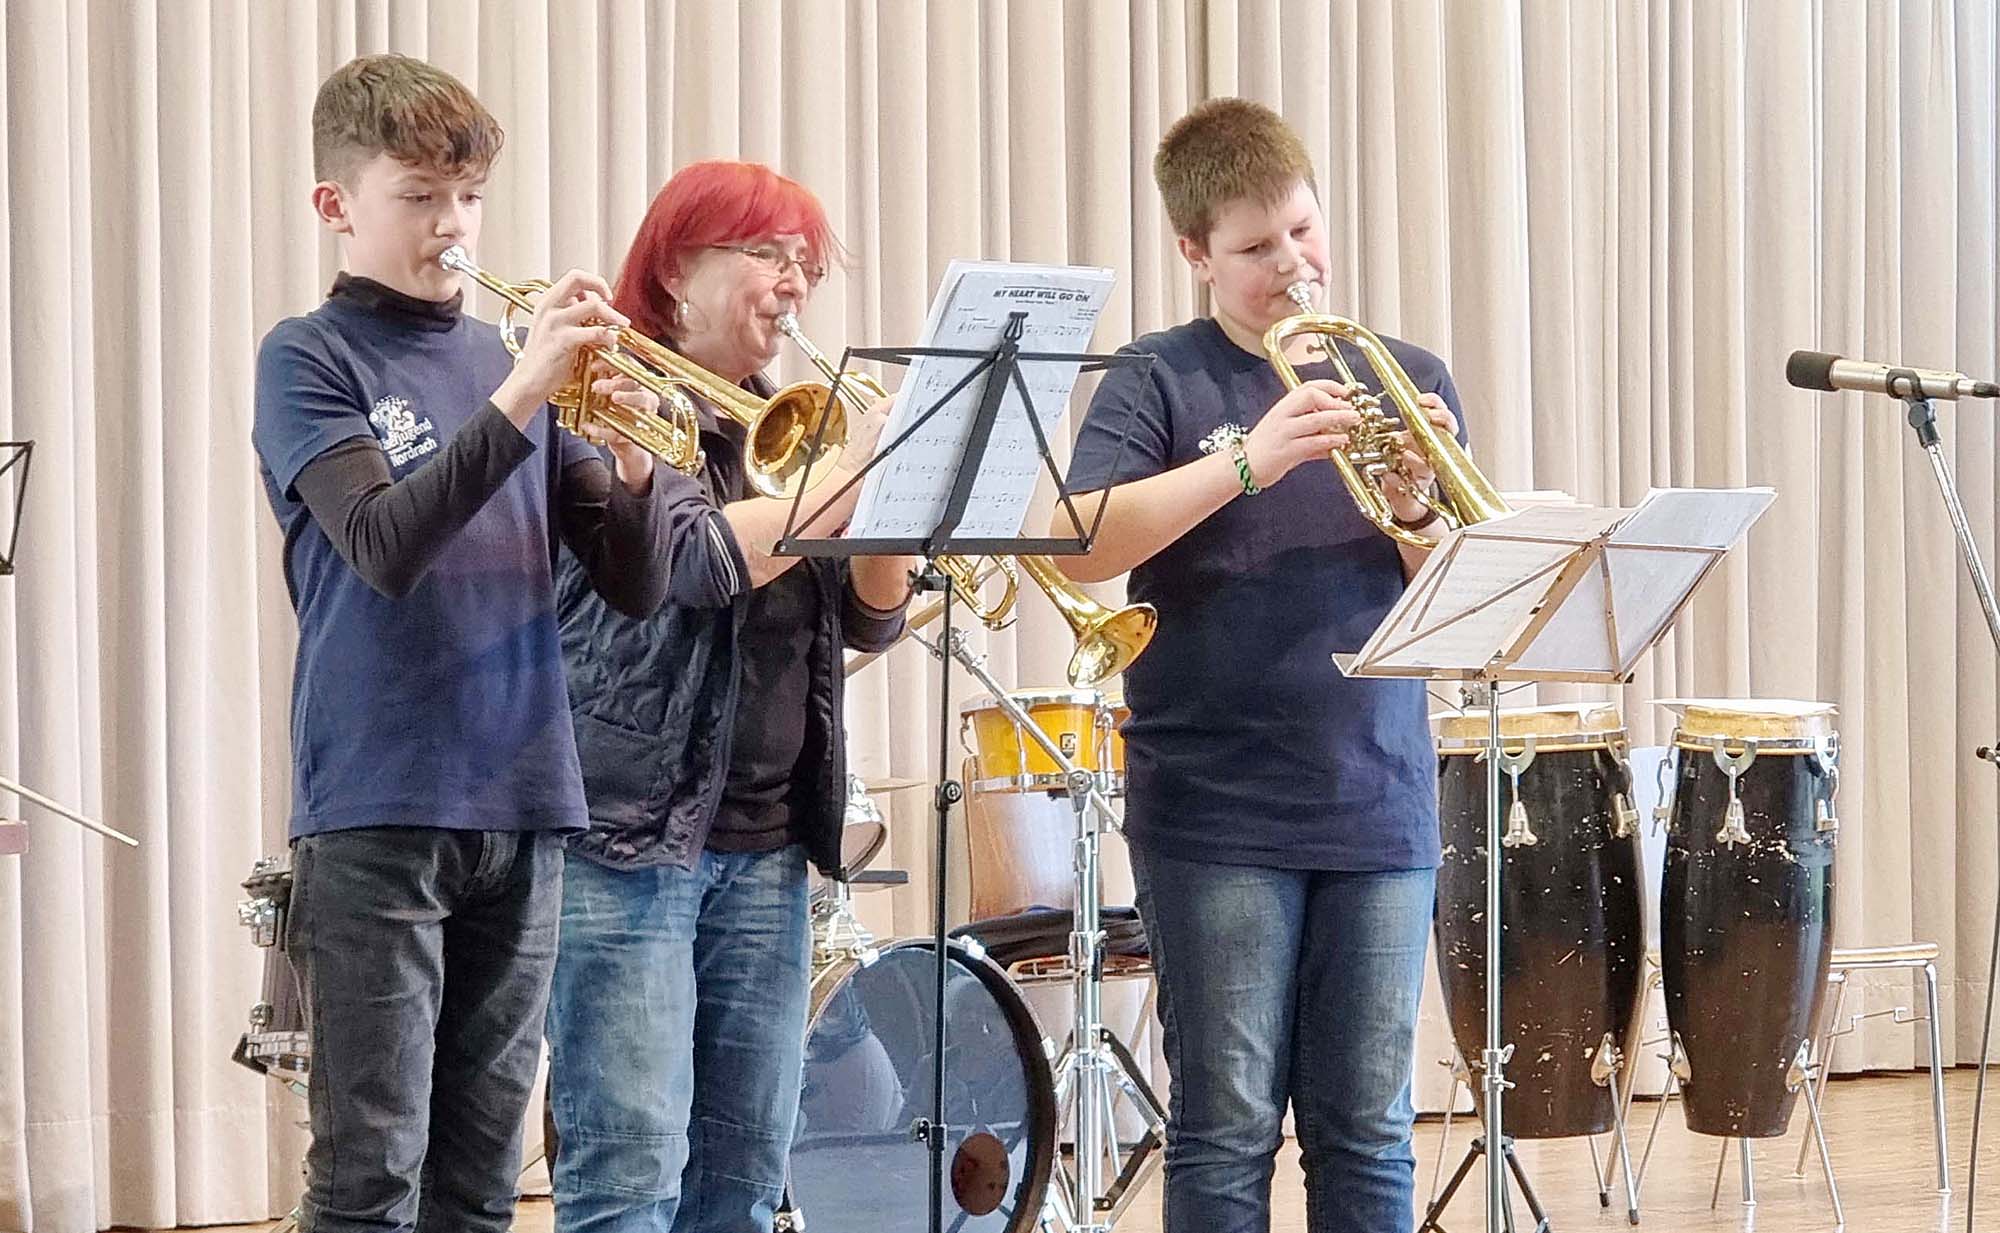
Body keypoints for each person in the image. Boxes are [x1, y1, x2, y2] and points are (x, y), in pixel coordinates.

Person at [251, 52, 672, 1233]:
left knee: (484, 1184)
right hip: (380, 801)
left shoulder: (505, 366)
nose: (453, 225)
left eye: (469, 195)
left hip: (527, 800)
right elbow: (384, 544)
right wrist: (522, 396)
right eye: (420, 196)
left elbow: (632, 585)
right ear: (337, 204)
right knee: (368, 1176)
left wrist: (635, 460)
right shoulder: (307, 357)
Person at [1056, 97, 1467, 1233]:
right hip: (1215, 806)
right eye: (1252, 248)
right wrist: (1251, 456)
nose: (1291, 265)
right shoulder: (1158, 378)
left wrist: (1412, 514)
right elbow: (1084, 543)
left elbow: (1453, 589)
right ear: (1193, 255)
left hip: (1376, 797)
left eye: (1300, 230)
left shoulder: (1402, 372)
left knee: (1369, 1128)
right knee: (1228, 1125)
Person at [544, 159, 915, 1233]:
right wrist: (848, 474)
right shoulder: (605, 407)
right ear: (674, 271)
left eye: (803, 265)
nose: (791, 285)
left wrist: (897, 499)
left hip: (768, 845)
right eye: (764, 256)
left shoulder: (792, 431)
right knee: (627, 1180)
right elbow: (696, 564)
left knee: (744, 1185)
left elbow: (866, 620)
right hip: (629, 839)